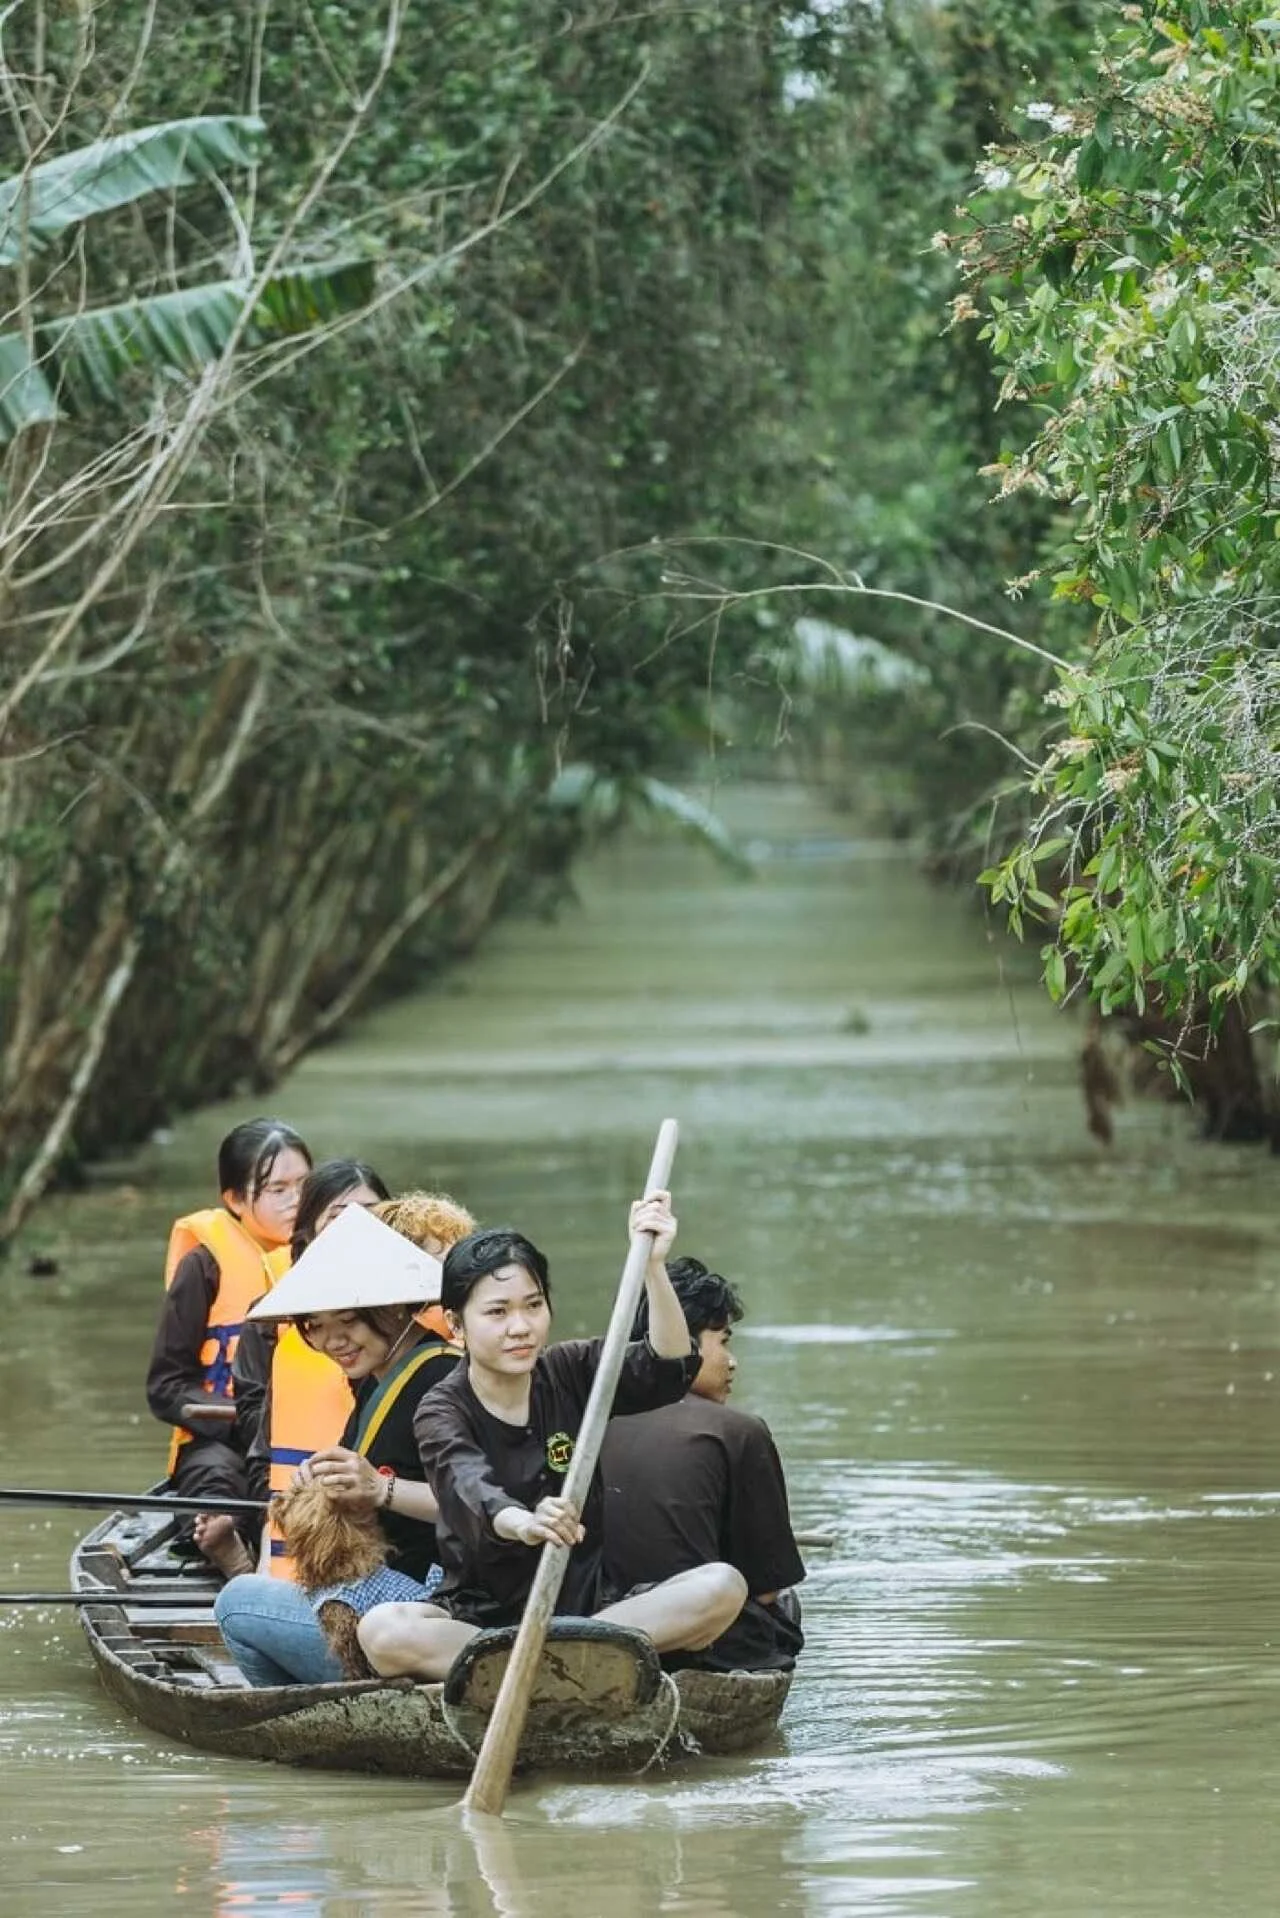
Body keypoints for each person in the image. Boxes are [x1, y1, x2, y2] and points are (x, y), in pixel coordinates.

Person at [356, 1192, 749, 1683]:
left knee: (723, 1585)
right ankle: (562, 1664)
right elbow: (466, 1484)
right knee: (382, 1631)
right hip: (481, 1621)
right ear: (456, 1325)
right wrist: (522, 1521)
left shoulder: (571, 1369)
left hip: (590, 1611)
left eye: (533, 1306)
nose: (520, 1327)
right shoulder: (442, 1406)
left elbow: (667, 1365)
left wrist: (653, 1267)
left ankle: (560, 1656)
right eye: (497, 1312)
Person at [213, 1193, 475, 1687]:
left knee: (236, 1602)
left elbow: (483, 1500)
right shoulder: (383, 1376)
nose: (333, 1341)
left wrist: (380, 1489)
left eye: (349, 1321)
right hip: (396, 1598)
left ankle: (306, 1720)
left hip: (425, 1608)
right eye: (316, 1328)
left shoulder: (435, 1380)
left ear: (394, 1307)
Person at [601, 1257, 805, 1671]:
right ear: (683, 1340)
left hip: (595, 1618)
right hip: (701, 1641)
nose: (732, 1361)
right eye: (723, 1340)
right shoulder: (739, 1430)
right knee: (784, 1605)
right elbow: (767, 1589)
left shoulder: (587, 1416)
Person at [206, 1158, 391, 1576]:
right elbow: (261, 1444)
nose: (359, 1233)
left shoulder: (428, 1319)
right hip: (307, 1508)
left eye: (373, 1219)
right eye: (341, 1221)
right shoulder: (276, 1322)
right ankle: (249, 1564)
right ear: (308, 1237)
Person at [145, 1117, 311, 1576]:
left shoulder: (328, 1255)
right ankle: (227, 1546)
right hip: (224, 1437)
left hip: (307, 1434)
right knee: (218, 1483)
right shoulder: (203, 1266)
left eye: (303, 1184)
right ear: (236, 1199)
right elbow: (166, 1387)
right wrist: (242, 1421)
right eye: (278, 1189)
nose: (295, 1199)